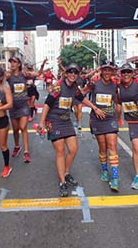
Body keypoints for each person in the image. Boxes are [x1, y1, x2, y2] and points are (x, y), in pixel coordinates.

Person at [37, 63, 106, 197]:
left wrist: (95, 108)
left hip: (66, 120)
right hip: (54, 121)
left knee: (73, 149)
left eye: (76, 73)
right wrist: (42, 122)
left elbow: (82, 98)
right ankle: (62, 182)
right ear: (66, 73)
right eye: (70, 72)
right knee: (60, 151)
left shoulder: (74, 87)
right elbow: (47, 105)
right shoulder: (58, 86)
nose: (73, 74)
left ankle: (66, 172)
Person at [85, 61, 122, 191]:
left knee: (112, 146)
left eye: (109, 70)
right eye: (105, 70)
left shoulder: (115, 85)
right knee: (103, 147)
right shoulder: (94, 83)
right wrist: (94, 108)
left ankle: (115, 178)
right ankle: (105, 170)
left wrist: (119, 117)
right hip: (97, 119)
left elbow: (117, 101)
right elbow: (81, 94)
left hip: (110, 119)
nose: (107, 73)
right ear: (102, 71)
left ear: (112, 72)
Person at [6, 56, 46, 163]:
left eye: (14, 62)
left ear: (19, 64)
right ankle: (17, 146)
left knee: (23, 127)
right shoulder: (9, 75)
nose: (12, 64)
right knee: (15, 129)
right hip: (13, 106)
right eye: (11, 62)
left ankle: (26, 151)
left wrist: (42, 65)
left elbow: (38, 74)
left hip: (23, 104)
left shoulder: (24, 74)